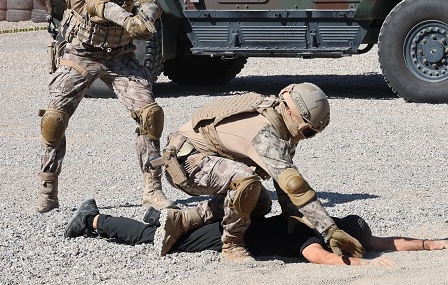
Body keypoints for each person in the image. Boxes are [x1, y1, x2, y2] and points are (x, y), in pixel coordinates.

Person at [35, 0, 173, 214]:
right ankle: (47, 189)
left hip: (120, 56)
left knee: (150, 115)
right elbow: (99, 4)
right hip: (80, 54)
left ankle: (153, 188)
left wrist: (147, 17)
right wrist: (128, 20)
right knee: (53, 120)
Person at [156, 83, 364, 263]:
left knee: (259, 203)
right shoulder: (266, 136)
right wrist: (330, 231)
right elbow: (294, 186)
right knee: (245, 183)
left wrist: (297, 219)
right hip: (186, 164)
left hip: (199, 157)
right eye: (307, 131)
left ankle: (184, 220)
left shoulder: (276, 117)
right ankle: (232, 246)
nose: (305, 138)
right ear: (293, 114)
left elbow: (283, 184)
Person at [63, 198, 448, 266]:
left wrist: (426, 244)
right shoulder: (310, 237)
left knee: (175, 224)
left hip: (240, 222)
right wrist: (359, 267)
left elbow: (383, 242)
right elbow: (321, 258)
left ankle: (157, 215)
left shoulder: (324, 225)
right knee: (161, 242)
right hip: (232, 236)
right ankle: (93, 221)